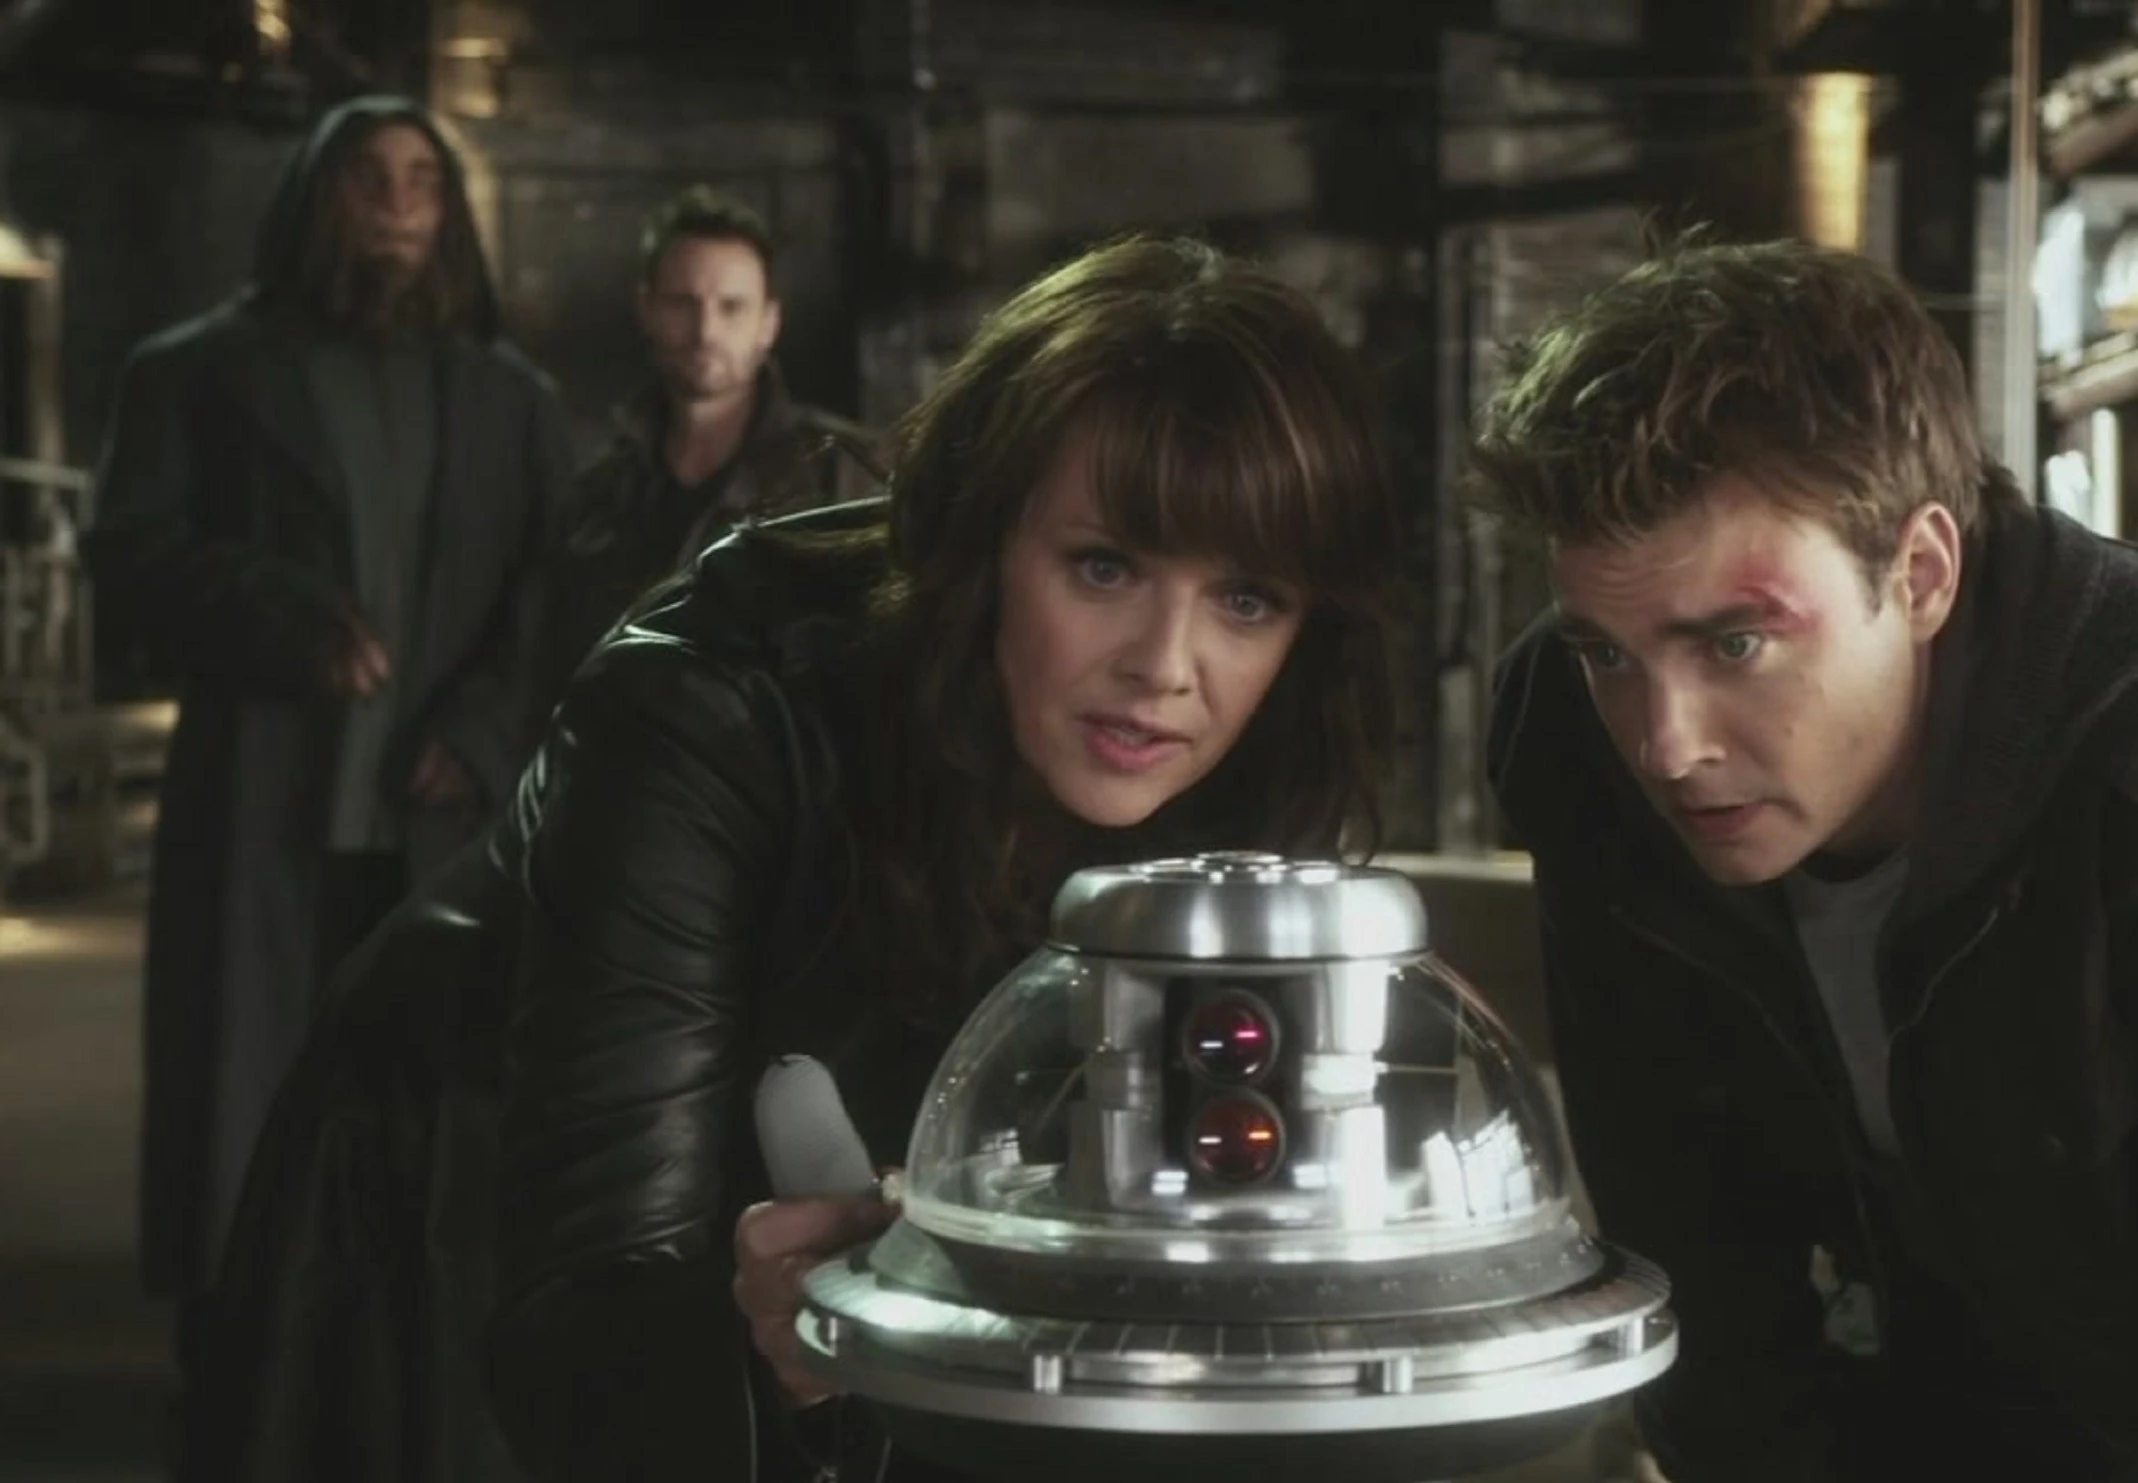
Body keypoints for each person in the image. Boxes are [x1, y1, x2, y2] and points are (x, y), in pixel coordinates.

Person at [199, 232, 1409, 1483]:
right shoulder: (707, 712)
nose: (1164, 666)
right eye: (1103, 567)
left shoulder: (1265, 768)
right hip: (459, 1222)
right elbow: (592, 1299)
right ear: (983, 538)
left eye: (1247, 599)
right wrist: (768, 1333)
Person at [1474, 237, 2138, 1481]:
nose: (1665, 746)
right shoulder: (1574, 748)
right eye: (1607, 651)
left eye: (1736, 644)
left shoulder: (2117, 764)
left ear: (1921, 573)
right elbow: (1687, 1251)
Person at [82, 91, 572, 1412]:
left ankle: (401, 1386)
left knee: (425, 1116)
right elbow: (128, 553)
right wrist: (275, 613)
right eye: (370, 176)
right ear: (317, 197)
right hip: (263, 813)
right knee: (242, 1103)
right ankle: (240, 1381)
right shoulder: (197, 371)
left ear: (450, 213)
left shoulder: (512, 401)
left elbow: (556, 592)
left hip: (440, 828)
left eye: (423, 179)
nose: (399, 203)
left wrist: (478, 730)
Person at [538, 184, 874, 703]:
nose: (705, 330)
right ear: (646, 308)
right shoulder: (600, 493)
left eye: (732, 306)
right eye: (683, 303)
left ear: (769, 322)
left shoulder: (842, 472)